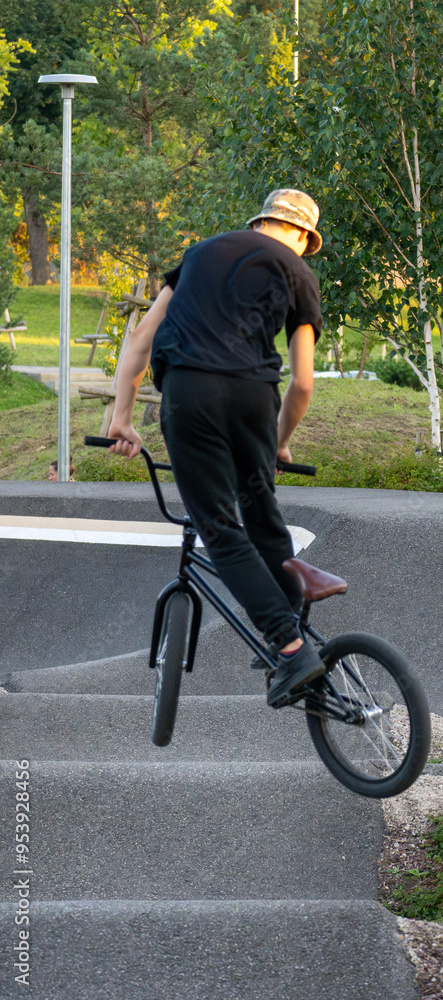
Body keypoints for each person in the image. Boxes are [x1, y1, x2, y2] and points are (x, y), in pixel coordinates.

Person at [108, 189, 326, 707]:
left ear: (259, 222)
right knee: (262, 516)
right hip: (255, 397)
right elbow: (302, 384)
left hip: (192, 394)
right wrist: (279, 444)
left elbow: (141, 339)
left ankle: (290, 647)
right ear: (301, 235)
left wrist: (121, 418)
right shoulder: (299, 272)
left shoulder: (199, 254)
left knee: (221, 530)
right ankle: (294, 632)